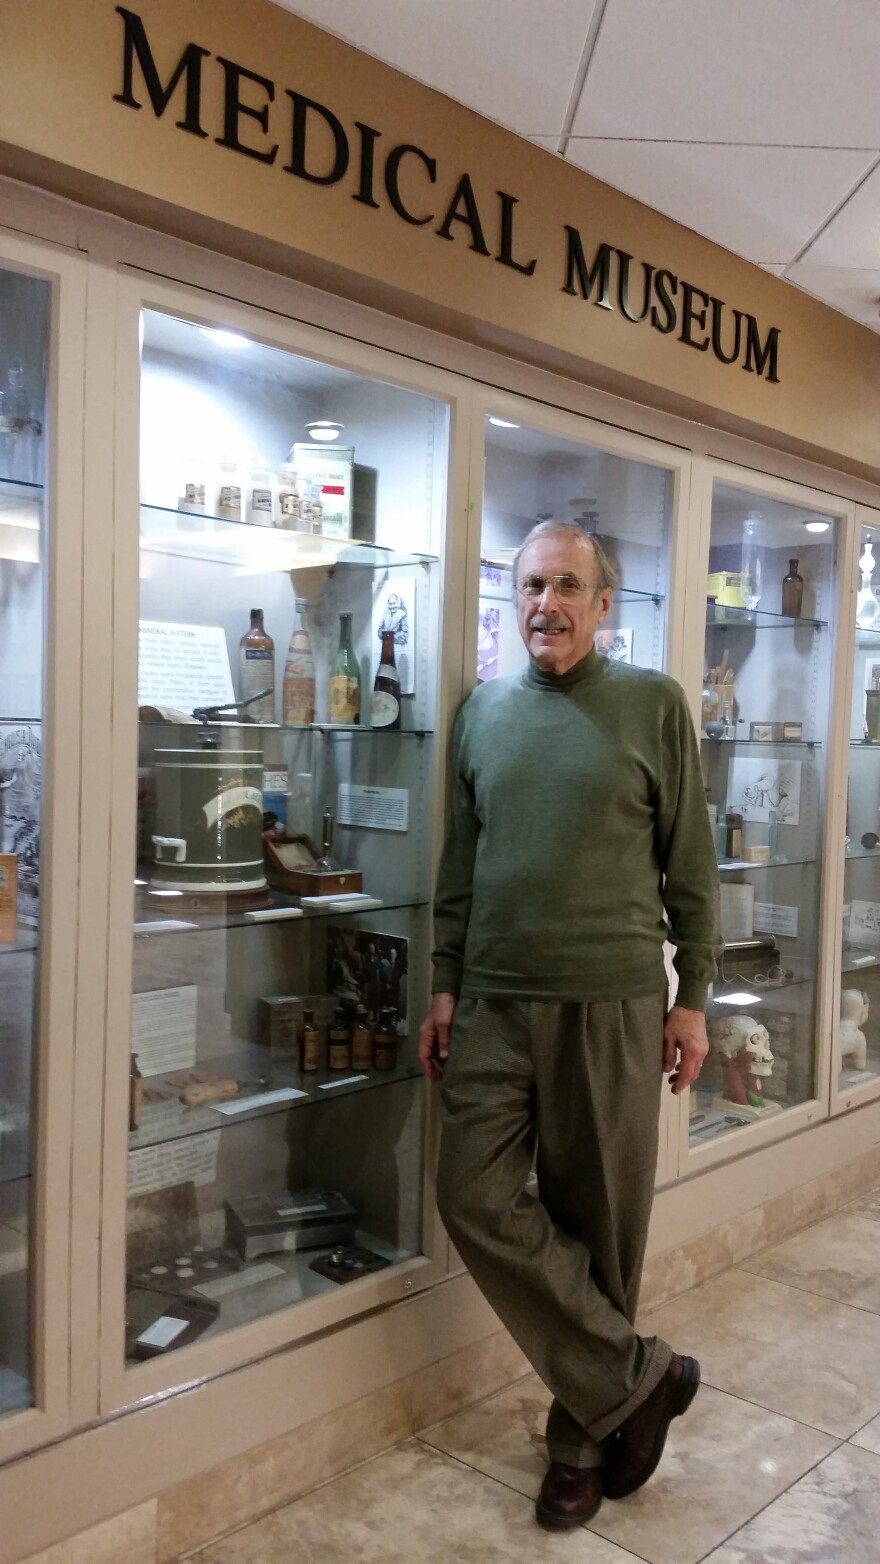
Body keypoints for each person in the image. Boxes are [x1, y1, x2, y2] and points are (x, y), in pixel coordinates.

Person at [418, 520, 722, 1531]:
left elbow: (691, 868)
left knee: (601, 1226)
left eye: (567, 586)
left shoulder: (651, 705)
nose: (546, 602)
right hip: (496, 1000)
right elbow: (459, 869)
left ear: (602, 605)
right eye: (532, 584)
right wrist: (447, 984)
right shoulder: (483, 713)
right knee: (469, 1188)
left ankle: (577, 1443)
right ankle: (637, 1377)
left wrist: (693, 998)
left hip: (611, 1002)